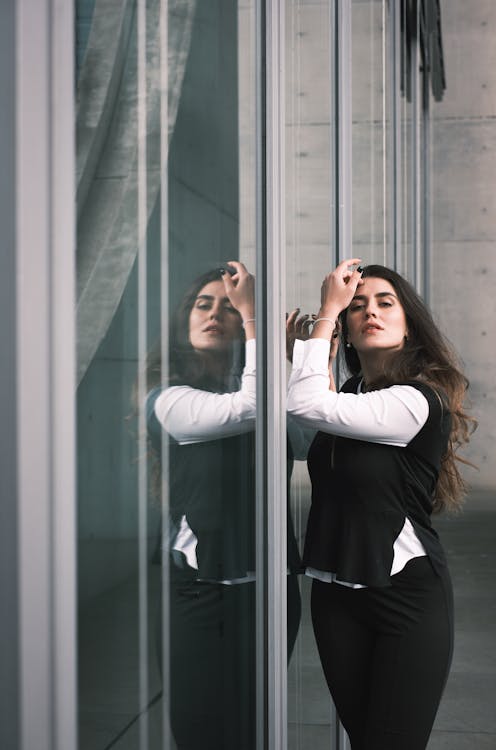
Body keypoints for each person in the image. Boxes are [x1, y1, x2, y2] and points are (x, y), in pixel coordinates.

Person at [287, 258, 476, 750]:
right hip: (336, 598)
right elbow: (296, 432)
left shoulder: (418, 399)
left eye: (385, 302)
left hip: (405, 601)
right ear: (347, 331)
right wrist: (301, 357)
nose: (370, 311)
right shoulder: (349, 394)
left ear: (408, 321)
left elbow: (310, 406)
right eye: (356, 306)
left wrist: (326, 311)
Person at [146, 261, 301, 750]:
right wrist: (258, 322)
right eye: (202, 304)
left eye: (229, 307)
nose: (215, 313)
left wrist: (294, 365)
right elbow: (250, 407)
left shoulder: (263, 390)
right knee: (200, 733)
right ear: (184, 320)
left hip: (270, 595)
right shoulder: (168, 400)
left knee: (253, 732)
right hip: (197, 595)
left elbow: (310, 430)